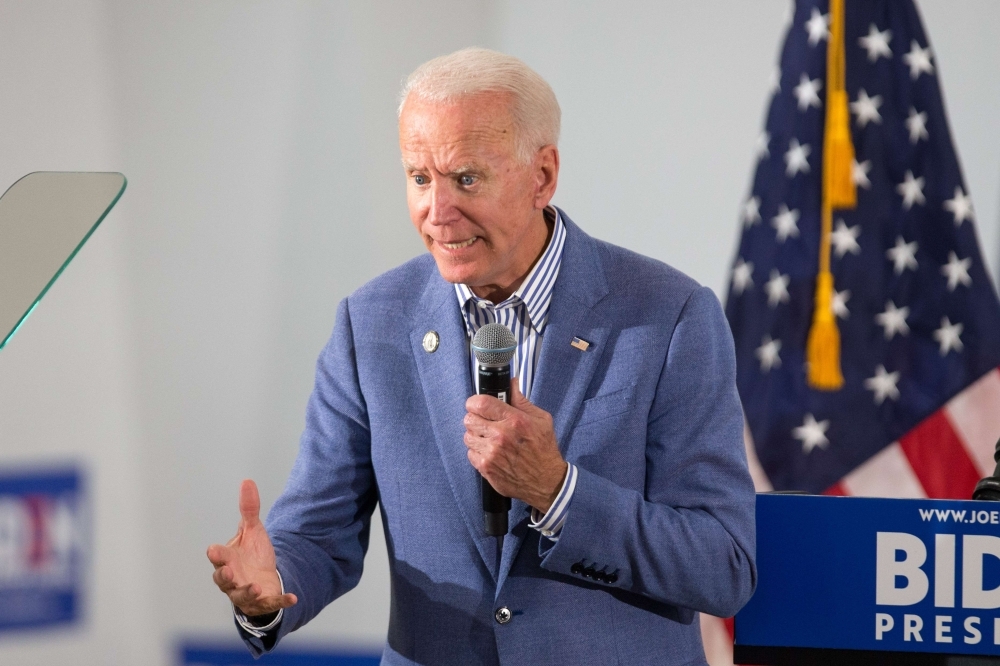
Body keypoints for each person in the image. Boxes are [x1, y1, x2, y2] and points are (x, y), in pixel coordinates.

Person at [207, 47, 756, 665]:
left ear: (542, 176)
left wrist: (558, 491)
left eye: (466, 178)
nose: (437, 213)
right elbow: (319, 532)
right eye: (419, 178)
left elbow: (723, 564)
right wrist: (269, 587)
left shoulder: (668, 316)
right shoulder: (372, 323)